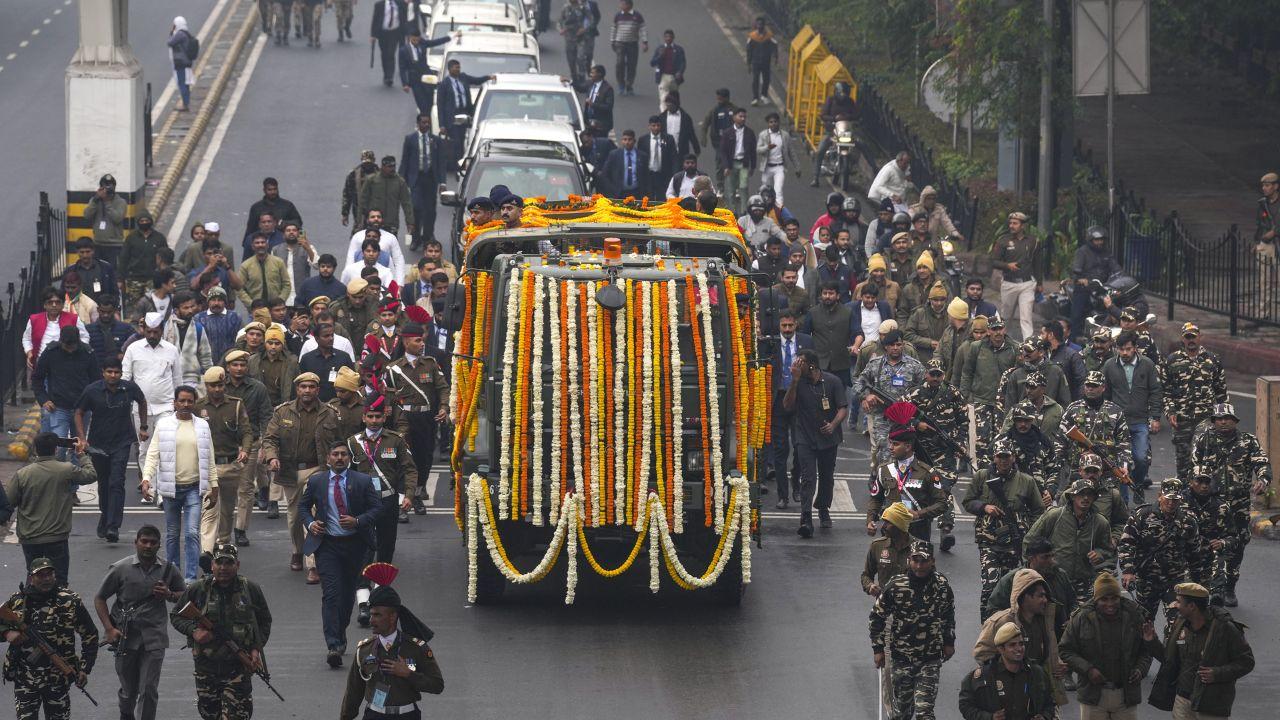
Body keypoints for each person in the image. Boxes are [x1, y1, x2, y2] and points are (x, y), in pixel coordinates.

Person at [299, 441, 381, 666]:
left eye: (344, 455)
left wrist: (358, 521)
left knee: (346, 596)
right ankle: (333, 645)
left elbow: (376, 509)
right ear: (328, 458)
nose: (339, 458)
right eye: (335, 454)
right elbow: (303, 507)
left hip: (355, 545)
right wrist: (310, 523)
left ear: (349, 459)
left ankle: (340, 630)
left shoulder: (362, 481)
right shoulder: (317, 481)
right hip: (328, 546)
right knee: (331, 594)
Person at [93, 525, 186, 720]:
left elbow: (185, 597)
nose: (148, 546)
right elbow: (100, 598)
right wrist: (109, 629)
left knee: (149, 689)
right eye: (144, 541)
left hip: (154, 637)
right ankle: (126, 714)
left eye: (153, 542)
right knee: (129, 690)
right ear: (136, 543)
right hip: (126, 636)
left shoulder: (169, 569)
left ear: (159, 545)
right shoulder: (121, 568)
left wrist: (169, 594)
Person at [169, 543, 272, 720]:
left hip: (238, 668)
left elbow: (264, 622)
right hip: (206, 668)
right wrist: (194, 631)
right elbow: (176, 615)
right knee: (210, 715)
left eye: (229, 563)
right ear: (212, 565)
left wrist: (256, 648)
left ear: (237, 565)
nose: (223, 568)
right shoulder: (199, 589)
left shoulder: (249, 589)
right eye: (219, 563)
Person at [261, 373, 342, 580]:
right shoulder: (282, 412)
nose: (307, 390)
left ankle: (312, 562)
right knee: (295, 516)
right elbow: (270, 439)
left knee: (314, 514)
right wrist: (272, 458)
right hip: (290, 471)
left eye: (311, 387)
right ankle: (297, 550)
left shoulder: (330, 413)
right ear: (297, 389)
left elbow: (339, 443)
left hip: (318, 470)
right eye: (303, 387)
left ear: (318, 389)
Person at [1190, 402, 1270, 608]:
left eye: (1227, 418)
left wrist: (1263, 479)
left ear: (1234, 421)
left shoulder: (1248, 441)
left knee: (1238, 543)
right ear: (1214, 421)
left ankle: (1229, 586)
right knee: (1208, 543)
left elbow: (1261, 463)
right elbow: (1193, 469)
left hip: (1238, 503)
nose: (1223, 421)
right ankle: (1207, 586)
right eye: (1218, 419)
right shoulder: (1204, 440)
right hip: (1210, 503)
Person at [1, 557, 99, 719]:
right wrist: (6, 633)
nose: (46, 579)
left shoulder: (70, 600)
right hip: (26, 678)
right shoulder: (18, 600)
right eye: (41, 575)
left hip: (58, 678)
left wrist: (84, 668)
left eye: (49, 574)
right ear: (31, 578)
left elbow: (90, 635)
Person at [868, 540, 955, 720]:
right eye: (915, 560)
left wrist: (949, 642)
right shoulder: (896, 585)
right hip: (902, 659)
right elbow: (877, 617)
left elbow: (948, 615)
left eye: (923, 561)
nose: (919, 566)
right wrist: (878, 650)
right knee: (902, 713)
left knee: (925, 712)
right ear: (909, 561)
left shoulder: (942, 586)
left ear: (932, 561)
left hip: (929, 659)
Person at [140, 386, 217, 583]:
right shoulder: (163, 424)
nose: (185, 405)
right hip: (170, 489)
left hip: (194, 488)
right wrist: (146, 478)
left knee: (192, 533)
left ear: (194, 403)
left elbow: (209, 457)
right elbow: (153, 453)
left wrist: (213, 485)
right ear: (174, 403)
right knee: (172, 535)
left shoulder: (202, 426)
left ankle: (190, 579)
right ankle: (173, 576)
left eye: (189, 401)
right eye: (181, 401)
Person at [1144, 582, 1253, 720]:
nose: (1175, 605)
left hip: (1210, 705)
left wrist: (1217, 673)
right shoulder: (1180, 623)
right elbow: (1169, 659)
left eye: (1179, 602)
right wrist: (1151, 641)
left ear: (1192, 606)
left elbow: (1247, 661)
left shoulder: (1224, 628)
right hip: (1182, 701)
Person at [340, 577, 444, 719]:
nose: (371, 620)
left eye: (377, 615)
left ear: (393, 616)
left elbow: (437, 685)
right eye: (371, 614)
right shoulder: (364, 650)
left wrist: (408, 674)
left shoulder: (416, 648)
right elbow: (353, 692)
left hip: (406, 715)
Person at [345, 395, 417, 600]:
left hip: (387, 501)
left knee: (386, 546)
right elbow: (345, 473)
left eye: (378, 416)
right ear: (364, 417)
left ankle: (379, 591)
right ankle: (363, 598)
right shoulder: (353, 443)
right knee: (363, 548)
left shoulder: (396, 440)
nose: (374, 421)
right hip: (362, 503)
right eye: (370, 416)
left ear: (384, 417)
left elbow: (409, 469)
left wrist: (409, 494)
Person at [964, 438, 1046, 614]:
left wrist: (1028, 533)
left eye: (1007, 456)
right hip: (988, 542)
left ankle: (1010, 627)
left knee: (1012, 588)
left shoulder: (1026, 481)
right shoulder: (982, 477)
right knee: (990, 586)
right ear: (994, 457)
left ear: (1013, 457)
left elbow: (1038, 511)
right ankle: (987, 626)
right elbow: (968, 501)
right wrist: (984, 507)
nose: (1003, 460)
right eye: (1000, 456)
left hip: (1014, 544)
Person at [75, 357, 149, 543]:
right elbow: (78, 412)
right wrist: (82, 439)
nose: (113, 375)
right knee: (104, 483)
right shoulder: (92, 390)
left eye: (116, 372)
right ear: (103, 372)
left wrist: (143, 426)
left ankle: (113, 526)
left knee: (117, 482)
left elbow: (142, 401)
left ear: (121, 373)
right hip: (98, 444)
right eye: (109, 372)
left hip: (122, 441)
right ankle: (105, 516)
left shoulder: (129, 388)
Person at [8, 433, 99, 583]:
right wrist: (81, 455)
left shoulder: (22, 474)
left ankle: (32, 605)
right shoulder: (66, 469)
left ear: (36, 450)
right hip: (57, 537)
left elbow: (9, 502)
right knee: (60, 580)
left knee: (33, 578)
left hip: (30, 537)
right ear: (56, 449)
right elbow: (91, 475)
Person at [974, 568, 1069, 710]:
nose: (1045, 600)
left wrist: (1057, 663)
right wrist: (1008, 667)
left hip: (1040, 689)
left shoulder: (1046, 619)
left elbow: (1046, 652)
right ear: (1024, 597)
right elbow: (981, 653)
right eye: (1040, 596)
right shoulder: (1001, 621)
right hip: (1009, 695)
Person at [382, 312, 448, 514]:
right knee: (403, 459)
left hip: (425, 418)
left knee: (424, 457)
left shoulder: (430, 364)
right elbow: (388, 398)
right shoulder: (393, 369)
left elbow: (443, 388)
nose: (421, 344)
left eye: (422, 340)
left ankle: (418, 494)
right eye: (417, 340)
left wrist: (443, 407)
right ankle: (404, 499)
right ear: (406, 341)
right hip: (403, 419)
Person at [781, 348, 847, 537]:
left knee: (827, 476)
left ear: (812, 365)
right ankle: (806, 517)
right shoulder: (798, 382)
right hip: (805, 437)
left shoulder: (833, 381)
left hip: (828, 437)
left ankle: (823, 508)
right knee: (808, 477)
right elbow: (787, 406)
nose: (796, 365)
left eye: (800, 362)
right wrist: (793, 382)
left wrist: (834, 425)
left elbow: (842, 407)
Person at [1024, 479, 1114, 601]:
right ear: (1072, 496)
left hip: (1084, 582)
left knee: (1081, 617)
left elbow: (1109, 549)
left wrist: (1099, 554)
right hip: (1052, 579)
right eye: (1081, 494)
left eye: (1089, 494)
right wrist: (1031, 571)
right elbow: (1030, 541)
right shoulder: (1054, 516)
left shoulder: (1100, 522)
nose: (1086, 498)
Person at [193, 368, 251, 554]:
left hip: (230, 464)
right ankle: (208, 549)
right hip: (207, 465)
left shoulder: (235, 405)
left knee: (227, 507)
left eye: (220, 385)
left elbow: (246, 431)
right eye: (212, 386)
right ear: (206, 386)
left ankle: (223, 542)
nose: (217, 389)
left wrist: (246, 450)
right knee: (209, 508)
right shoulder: (198, 406)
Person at [1101, 331, 1163, 504]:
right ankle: (1123, 502)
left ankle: (1137, 483)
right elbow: (1105, 395)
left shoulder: (1147, 365)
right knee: (1120, 464)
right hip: (1117, 423)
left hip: (1140, 421)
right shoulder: (1109, 366)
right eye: (1121, 349)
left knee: (1142, 459)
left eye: (1128, 349)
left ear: (1135, 348)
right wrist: (1105, 418)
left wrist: (1156, 417)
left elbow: (1156, 392)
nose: (1125, 353)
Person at [854, 330, 927, 473]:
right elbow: (858, 384)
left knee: (906, 454)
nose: (895, 347)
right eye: (892, 345)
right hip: (883, 418)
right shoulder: (875, 365)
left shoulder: (914, 366)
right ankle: (882, 484)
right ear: (885, 346)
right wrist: (866, 396)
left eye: (899, 344)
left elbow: (925, 388)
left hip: (906, 419)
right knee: (885, 453)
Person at [1163, 322, 1227, 479]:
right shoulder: (1172, 361)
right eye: (1187, 337)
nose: (1191, 340)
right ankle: (1185, 495)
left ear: (1200, 337)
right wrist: (1170, 411)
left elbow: (1221, 392)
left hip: (1205, 418)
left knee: (1202, 456)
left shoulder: (1212, 360)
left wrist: (1222, 417)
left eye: (1193, 336)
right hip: (1181, 419)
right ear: (1182, 339)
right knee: (1183, 461)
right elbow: (1166, 391)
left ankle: (1204, 491)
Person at [960, 621, 1055, 720]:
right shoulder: (984, 675)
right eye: (1012, 645)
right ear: (1001, 649)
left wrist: (1044, 716)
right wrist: (990, 717)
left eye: (1021, 644)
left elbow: (1050, 702)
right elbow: (965, 705)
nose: (1019, 648)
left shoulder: (1036, 673)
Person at [123, 312, 182, 466]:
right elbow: (125, 378)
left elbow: (177, 380)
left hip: (166, 407)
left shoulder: (171, 350)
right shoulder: (133, 349)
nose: (152, 335)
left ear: (162, 331)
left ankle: (164, 484)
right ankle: (148, 486)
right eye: (149, 331)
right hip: (141, 409)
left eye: (156, 331)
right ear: (144, 329)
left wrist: (178, 405)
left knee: (166, 447)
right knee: (145, 449)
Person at [985, 536, 1077, 634]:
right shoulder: (1012, 579)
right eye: (1045, 557)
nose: (1051, 561)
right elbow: (994, 610)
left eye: (1052, 556)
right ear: (1031, 558)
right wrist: (1012, 627)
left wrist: (1072, 620)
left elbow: (1073, 602)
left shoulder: (1060, 575)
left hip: (1057, 634)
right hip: (1025, 636)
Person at [33, 325, 100, 456]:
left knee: (79, 448)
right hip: (58, 408)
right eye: (66, 346)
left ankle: (76, 475)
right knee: (59, 447)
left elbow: (96, 381)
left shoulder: (88, 353)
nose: (69, 350)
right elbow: (37, 378)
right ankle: (60, 475)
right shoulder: (51, 352)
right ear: (61, 341)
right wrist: (44, 399)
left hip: (81, 409)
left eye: (72, 346)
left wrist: (92, 403)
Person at [960, 316, 1016, 462]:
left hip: (1004, 404)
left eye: (1000, 328)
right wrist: (963, 396)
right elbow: (967, 372)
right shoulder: (976, 347)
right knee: (981, 441)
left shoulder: (1015, 348)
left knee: (1002, 439)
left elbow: (1018, 377)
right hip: (981, 400)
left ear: (1005, 329)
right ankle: (982, 474)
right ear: (988, 331)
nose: (998, 332)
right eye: (994, 329)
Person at [1181, 469, 1239, 599]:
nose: (1204, 486)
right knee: (1187, 594)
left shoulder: (1221, 506)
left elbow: (1234, 536)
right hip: (1185, 553)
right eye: (1199, 481)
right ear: (1191, 482)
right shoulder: (1179, 503)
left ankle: (1217, 596)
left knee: (1219, 560)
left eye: (1207, 482)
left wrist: (1223, 543)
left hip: (1210, 553)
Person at [401, 114, 448, 251]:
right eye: (423, 122)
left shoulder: (436, 140)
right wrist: (401, 179)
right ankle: (416, 238)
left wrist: (442, 182)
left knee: (430, 210)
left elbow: (441, 162)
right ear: (418, 124)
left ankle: (427, 237)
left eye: (428, 123)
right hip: (416, 179)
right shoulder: (410, 139)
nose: (426, 125)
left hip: (430, 179)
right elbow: (405, 160)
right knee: (416, 208)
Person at [992, 211, 1040, 341]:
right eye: (1010, 223)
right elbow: (994, 261)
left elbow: (1037, 263)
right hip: (1009, 283)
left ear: (1022, 225)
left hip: (1027, 283)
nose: (1012, 226)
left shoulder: (1032, 241)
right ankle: (1006, 341)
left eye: (1015, 223)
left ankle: (1028, 344)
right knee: (1006, 317)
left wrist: (1039, 284)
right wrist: (1007, 266)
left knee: (1026, 317)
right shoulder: (1003, 241)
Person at [436, 59, 489, 165]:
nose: (458, 70)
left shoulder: (463, 78)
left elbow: (476, 80)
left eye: (459, 67)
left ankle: (466, 159)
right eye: (456, 67)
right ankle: (458, 164)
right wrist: (442, 125)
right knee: (457, 142)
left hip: (466, 114)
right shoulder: (444, 84)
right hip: (453, 117)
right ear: (450, 69)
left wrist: (488, 77)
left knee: (468, 139)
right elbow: (440, 105)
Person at [23, 287, 89, 370]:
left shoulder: (73, 319)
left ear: (62, 304)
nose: (54, 305)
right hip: (42, 364)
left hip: (67, 364)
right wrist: (29, 352)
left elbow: (85, 337)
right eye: (50, 302)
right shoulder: (34, 320)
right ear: (44, 305)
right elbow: (26, 339)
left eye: (58, 302)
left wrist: (76, 351)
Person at [810, 83, 859, 188]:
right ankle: (816, 177)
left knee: (862, 145)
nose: (844, 96)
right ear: (836, 92)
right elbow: (823, 115)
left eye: (846, 93)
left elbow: (856, 115)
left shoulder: (850, 102)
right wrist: (833, 119)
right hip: (832, 133)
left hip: (846, 133)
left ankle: (874, 168)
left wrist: (847, 117)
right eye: (842, 93)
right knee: (820, 151)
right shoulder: (830, 100)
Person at [398, 28, 452, 117]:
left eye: (417, 39)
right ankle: (425, 119)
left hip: (427, 78)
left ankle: (428, 117)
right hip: (415, 80)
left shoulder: (422, 43)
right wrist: (405, 84)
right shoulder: (403, 50)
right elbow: (402, 68)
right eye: (413, 40)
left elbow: (434, 42)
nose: (415, 41)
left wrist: (449, 38)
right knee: (421, 103)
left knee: (430, 101)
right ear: (410, 38)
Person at [360, 156, 415, 238]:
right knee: (373, 246)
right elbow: (363, 200)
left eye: (393, 166)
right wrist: (361, 221)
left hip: (391, 223)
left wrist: (410, 222)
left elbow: (406, 203)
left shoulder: (400, 182)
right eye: (389, 167)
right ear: (382, 167)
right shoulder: (371, 180)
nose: (392, 169)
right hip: (373, 222)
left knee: (390, 246)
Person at [718, 108, 756, 217]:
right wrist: (725, 166)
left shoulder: (750, 133)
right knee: (731, 189)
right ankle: (733, 212)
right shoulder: (727, 133)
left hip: (743, 163)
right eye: (740, 116)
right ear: (734, 117)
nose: (743, 119)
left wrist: (753, 166)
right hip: (731, 164)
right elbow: (723, 151)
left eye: (744, 117)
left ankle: (744, 211)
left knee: (743, 187)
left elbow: (753, 150)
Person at [756, 112, 799, 206]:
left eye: (775, 121)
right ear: (768, 124)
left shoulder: (785, 136)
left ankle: (779, 210)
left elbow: (791, 152)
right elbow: (758, 150)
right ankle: (764, 207)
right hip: (767, 167)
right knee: (764, 190)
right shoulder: (763, 135)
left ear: (779, 122)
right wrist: (767, 147)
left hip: (779, 167)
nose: (773, 124)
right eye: (771, 122)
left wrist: (797, 167)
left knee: (778, 190)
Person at [84, 174, 127, 266]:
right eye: (105, 185)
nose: (107, 188)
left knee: (113, 273)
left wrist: (107, 202)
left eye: (110, 185)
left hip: (114, 246)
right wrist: (95, 201)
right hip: (98, 244)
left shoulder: (121, 202)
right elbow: (87, 216)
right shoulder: (95, 201)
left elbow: (117, 218)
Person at [271, 221, 316, 305]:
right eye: (288, 230)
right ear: (283, 234)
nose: (291, 232)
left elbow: (316, 265)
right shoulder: (275, 250)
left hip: (302, 295)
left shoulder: (308, 248)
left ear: (298, 233)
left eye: (294, 230)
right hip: (283, 296)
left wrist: (308, 248)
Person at [609, 0, 647, 95]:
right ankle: (621, 84)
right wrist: (612, 40)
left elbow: (643, 29)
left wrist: (644, 42)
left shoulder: (637, 16)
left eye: (623, 3)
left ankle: (629, 85)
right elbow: (613, 28)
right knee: (619, 63)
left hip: (632, 44)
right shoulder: (618, 16)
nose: (621, 5)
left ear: (629, 5)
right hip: (620, 43)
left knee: (632, 65)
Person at [1255, 171, 1280, 310]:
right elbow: (1259, 223)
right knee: (1264, 281)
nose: (1264, 188)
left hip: (1278, 244)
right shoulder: (1262, 204)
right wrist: (1257, 242)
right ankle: (1263, 312)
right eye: (1263, 185)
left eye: (1268, 185)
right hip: (1265, 244)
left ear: (1276, 186)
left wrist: (1275, 232)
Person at [370, 0, 410, 86]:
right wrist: (373, 35)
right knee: (384, 54)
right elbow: (375, 19)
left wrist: (407, 33)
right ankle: (386, 74)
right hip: (383, 33)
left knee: (391, 53)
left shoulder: (401, 4)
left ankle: (389, 76)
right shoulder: (379, 5)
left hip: (395, 32)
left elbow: (405, 19)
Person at [640, 115, 677, 200]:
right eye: (653, 126)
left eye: (658, 125)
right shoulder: (643, 140)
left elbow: (674, 157)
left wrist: (674, 174)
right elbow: (640, 158)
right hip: (649, 175)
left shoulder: (668, 139)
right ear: (649, 126)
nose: (656, 128)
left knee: (662, 198)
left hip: (663, 174)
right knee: (649, 198)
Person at [558, 0, 595, 86]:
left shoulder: (582, 7)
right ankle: (574, 78)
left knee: (580, 57)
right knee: (571, 60)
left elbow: (591, 19)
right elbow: (559, 21)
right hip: (569, 37)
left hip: (580, 37)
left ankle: (582, 77)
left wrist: (584, 28)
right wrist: (561, 30)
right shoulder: (565, 8)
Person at [648, 29, 684, 110]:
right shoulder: (660, 49)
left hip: (674, 78)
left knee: (674, 98)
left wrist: (680, 72)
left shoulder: (679, 49)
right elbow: (652, 63)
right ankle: (664, 116)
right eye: (666, 37)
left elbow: (682, 63)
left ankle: (675, 114)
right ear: (664, 38)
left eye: (670, 37)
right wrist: (660, 56)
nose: (668, 38)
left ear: (673, 38)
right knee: (664, 99)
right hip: (663, 77)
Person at [745, 17, 777, 106]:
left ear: (764, 25)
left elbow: (775, 45)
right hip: (755, 62)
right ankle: (755, 98)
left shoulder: (769, 36)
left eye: (761, 24)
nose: (760, 26)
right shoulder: (752, 37)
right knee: (755, 80)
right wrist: (748, 63)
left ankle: (764, 95)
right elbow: (748, 50)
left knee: (766, 79)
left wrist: (775, 57)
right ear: (756, 25)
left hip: (766, 62)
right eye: (758, 24)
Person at [168, 16, 195, 111]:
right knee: (186, 83)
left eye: (174, 25)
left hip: (181, 62)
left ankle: (185, 104)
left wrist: (172, 32)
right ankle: (186, 103)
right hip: (186, 62)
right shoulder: (186, 33)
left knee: (182, 83)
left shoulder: (180, 34)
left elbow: (170, 43)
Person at [661, 93, 700, 157]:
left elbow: (691, 134)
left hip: (681, 152)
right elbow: (660, 134)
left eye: (670, 105)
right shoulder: (662, 117)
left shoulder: (685, 118)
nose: (668, 107)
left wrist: (696, 149)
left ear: (675, 104)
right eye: (667, 105)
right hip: (666, 152)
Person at [581, 65, 616, 136]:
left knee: (600, 144)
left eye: (592, 73)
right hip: (589, 123)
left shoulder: (607, 89)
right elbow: (580, 88)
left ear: (599, 74)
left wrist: (593, 104)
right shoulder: (590, 83)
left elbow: (608, 107)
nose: (590, 75)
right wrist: (570, 82)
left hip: (601, 126)